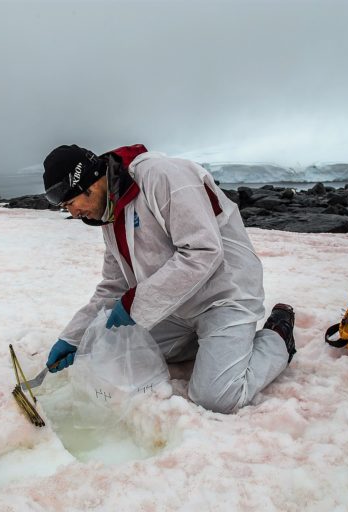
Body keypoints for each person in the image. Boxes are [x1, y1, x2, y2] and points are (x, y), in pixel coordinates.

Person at [41, 143, 296, 414]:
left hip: (224, 296)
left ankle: (278, 335)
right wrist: (73, 338)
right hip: (175, 306)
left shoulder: (161, 176)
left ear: (89, 184)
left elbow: (203, 250)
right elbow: (113, 287)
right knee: (115, 355)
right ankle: (207, 345)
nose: (72, 213)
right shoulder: (110, 214)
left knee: (216, 398)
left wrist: (135, 305)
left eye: (70, 203)